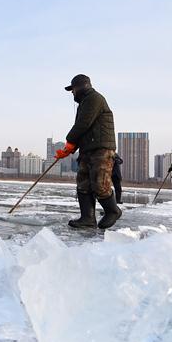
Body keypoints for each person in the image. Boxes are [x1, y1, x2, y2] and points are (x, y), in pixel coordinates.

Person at [55, 74, 121, 229]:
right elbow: (84, 129)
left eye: (73, 89)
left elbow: (84, 123)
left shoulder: (94, 98)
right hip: (87, 149)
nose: (72, 93)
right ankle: (87, 218)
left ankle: (112, 211)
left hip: (101, 149)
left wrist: (70, 140)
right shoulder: (84, 103)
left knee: (100, 183)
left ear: (82, 86)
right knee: (83, 184)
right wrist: (69, 149)